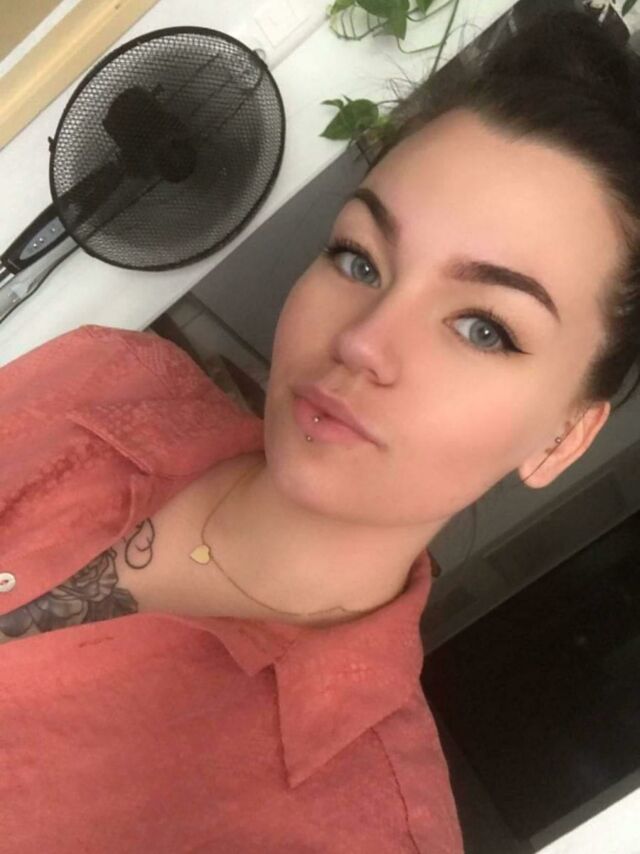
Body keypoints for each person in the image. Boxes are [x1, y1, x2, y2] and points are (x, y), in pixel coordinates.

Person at [2, 7, 640, 852]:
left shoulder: (358, 830)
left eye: (484, 327)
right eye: (359, 258)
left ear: (561, 438)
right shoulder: (102, 373)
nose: (364, 341)